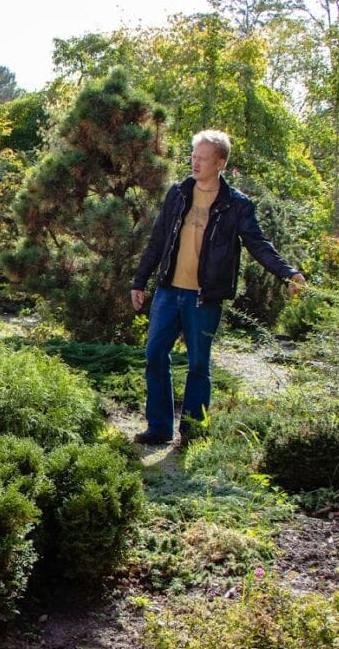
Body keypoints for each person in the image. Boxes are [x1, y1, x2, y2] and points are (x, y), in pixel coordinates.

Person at [130, 130, 306, 445]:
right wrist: (139, 280)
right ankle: (159, 428)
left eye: (202, 158)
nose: (194, 163)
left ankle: (193, 432)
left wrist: (288, 272)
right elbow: (158, 240)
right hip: (169, 292)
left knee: (199, 364)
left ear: (220, 163)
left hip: (204, 298)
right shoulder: (179, 193)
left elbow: (258, 244)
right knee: (155, 355)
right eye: (193, 156)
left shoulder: (236, 205)